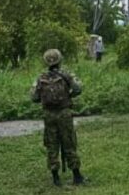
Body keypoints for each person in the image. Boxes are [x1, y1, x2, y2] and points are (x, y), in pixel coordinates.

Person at [30, 49, 86, 187]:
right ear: (60, 60)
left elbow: (34, 97)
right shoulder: (67, 75)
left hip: (48, 115)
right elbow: (78, 88)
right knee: (69, 142)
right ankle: (77, 176)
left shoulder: (40, 77)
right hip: (64, 113)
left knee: (51, 144)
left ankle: (55, 178)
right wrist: (69, 96)